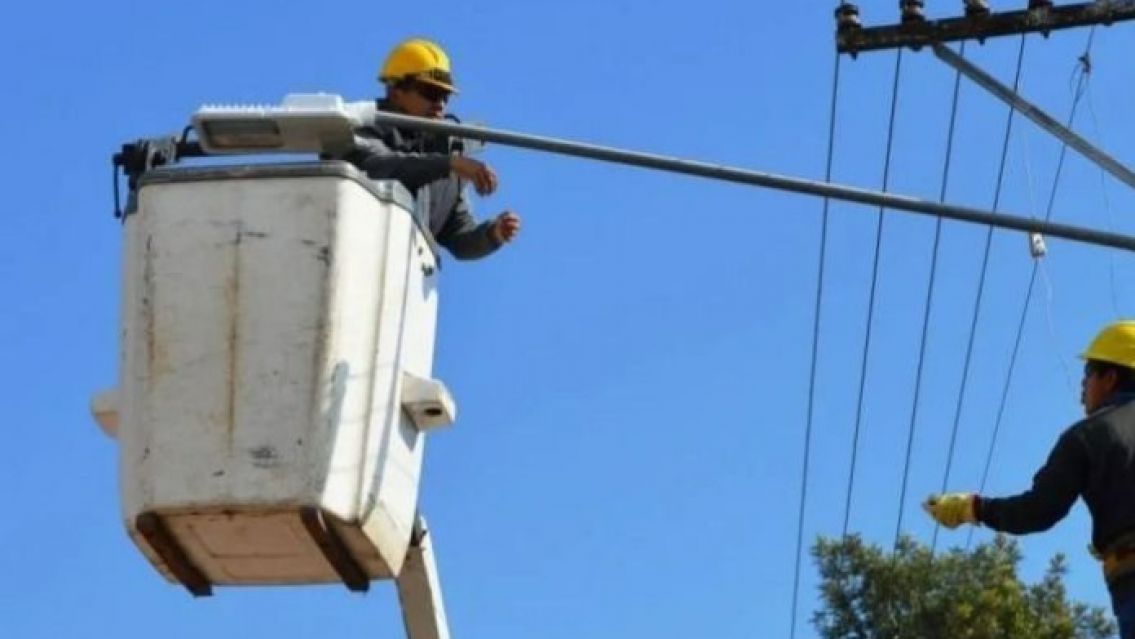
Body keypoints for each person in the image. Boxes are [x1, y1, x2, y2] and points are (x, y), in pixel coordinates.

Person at [924, 320, 1135, 637]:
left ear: (1111, 377)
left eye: (1088, 372)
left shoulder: (1087, 436)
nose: (1082, 387)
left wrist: (974, 508)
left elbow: (1038, 510)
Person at [337, 38, 520, 259]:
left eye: (445, 96)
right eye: (430, 93)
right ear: (396, 92)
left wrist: (492, 234)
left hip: (402, 277)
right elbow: (376, 166)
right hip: (355, 257)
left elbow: (457, 234)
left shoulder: (445, 156)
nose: (440, 104)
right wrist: (449, 164)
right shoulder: (361, 125)